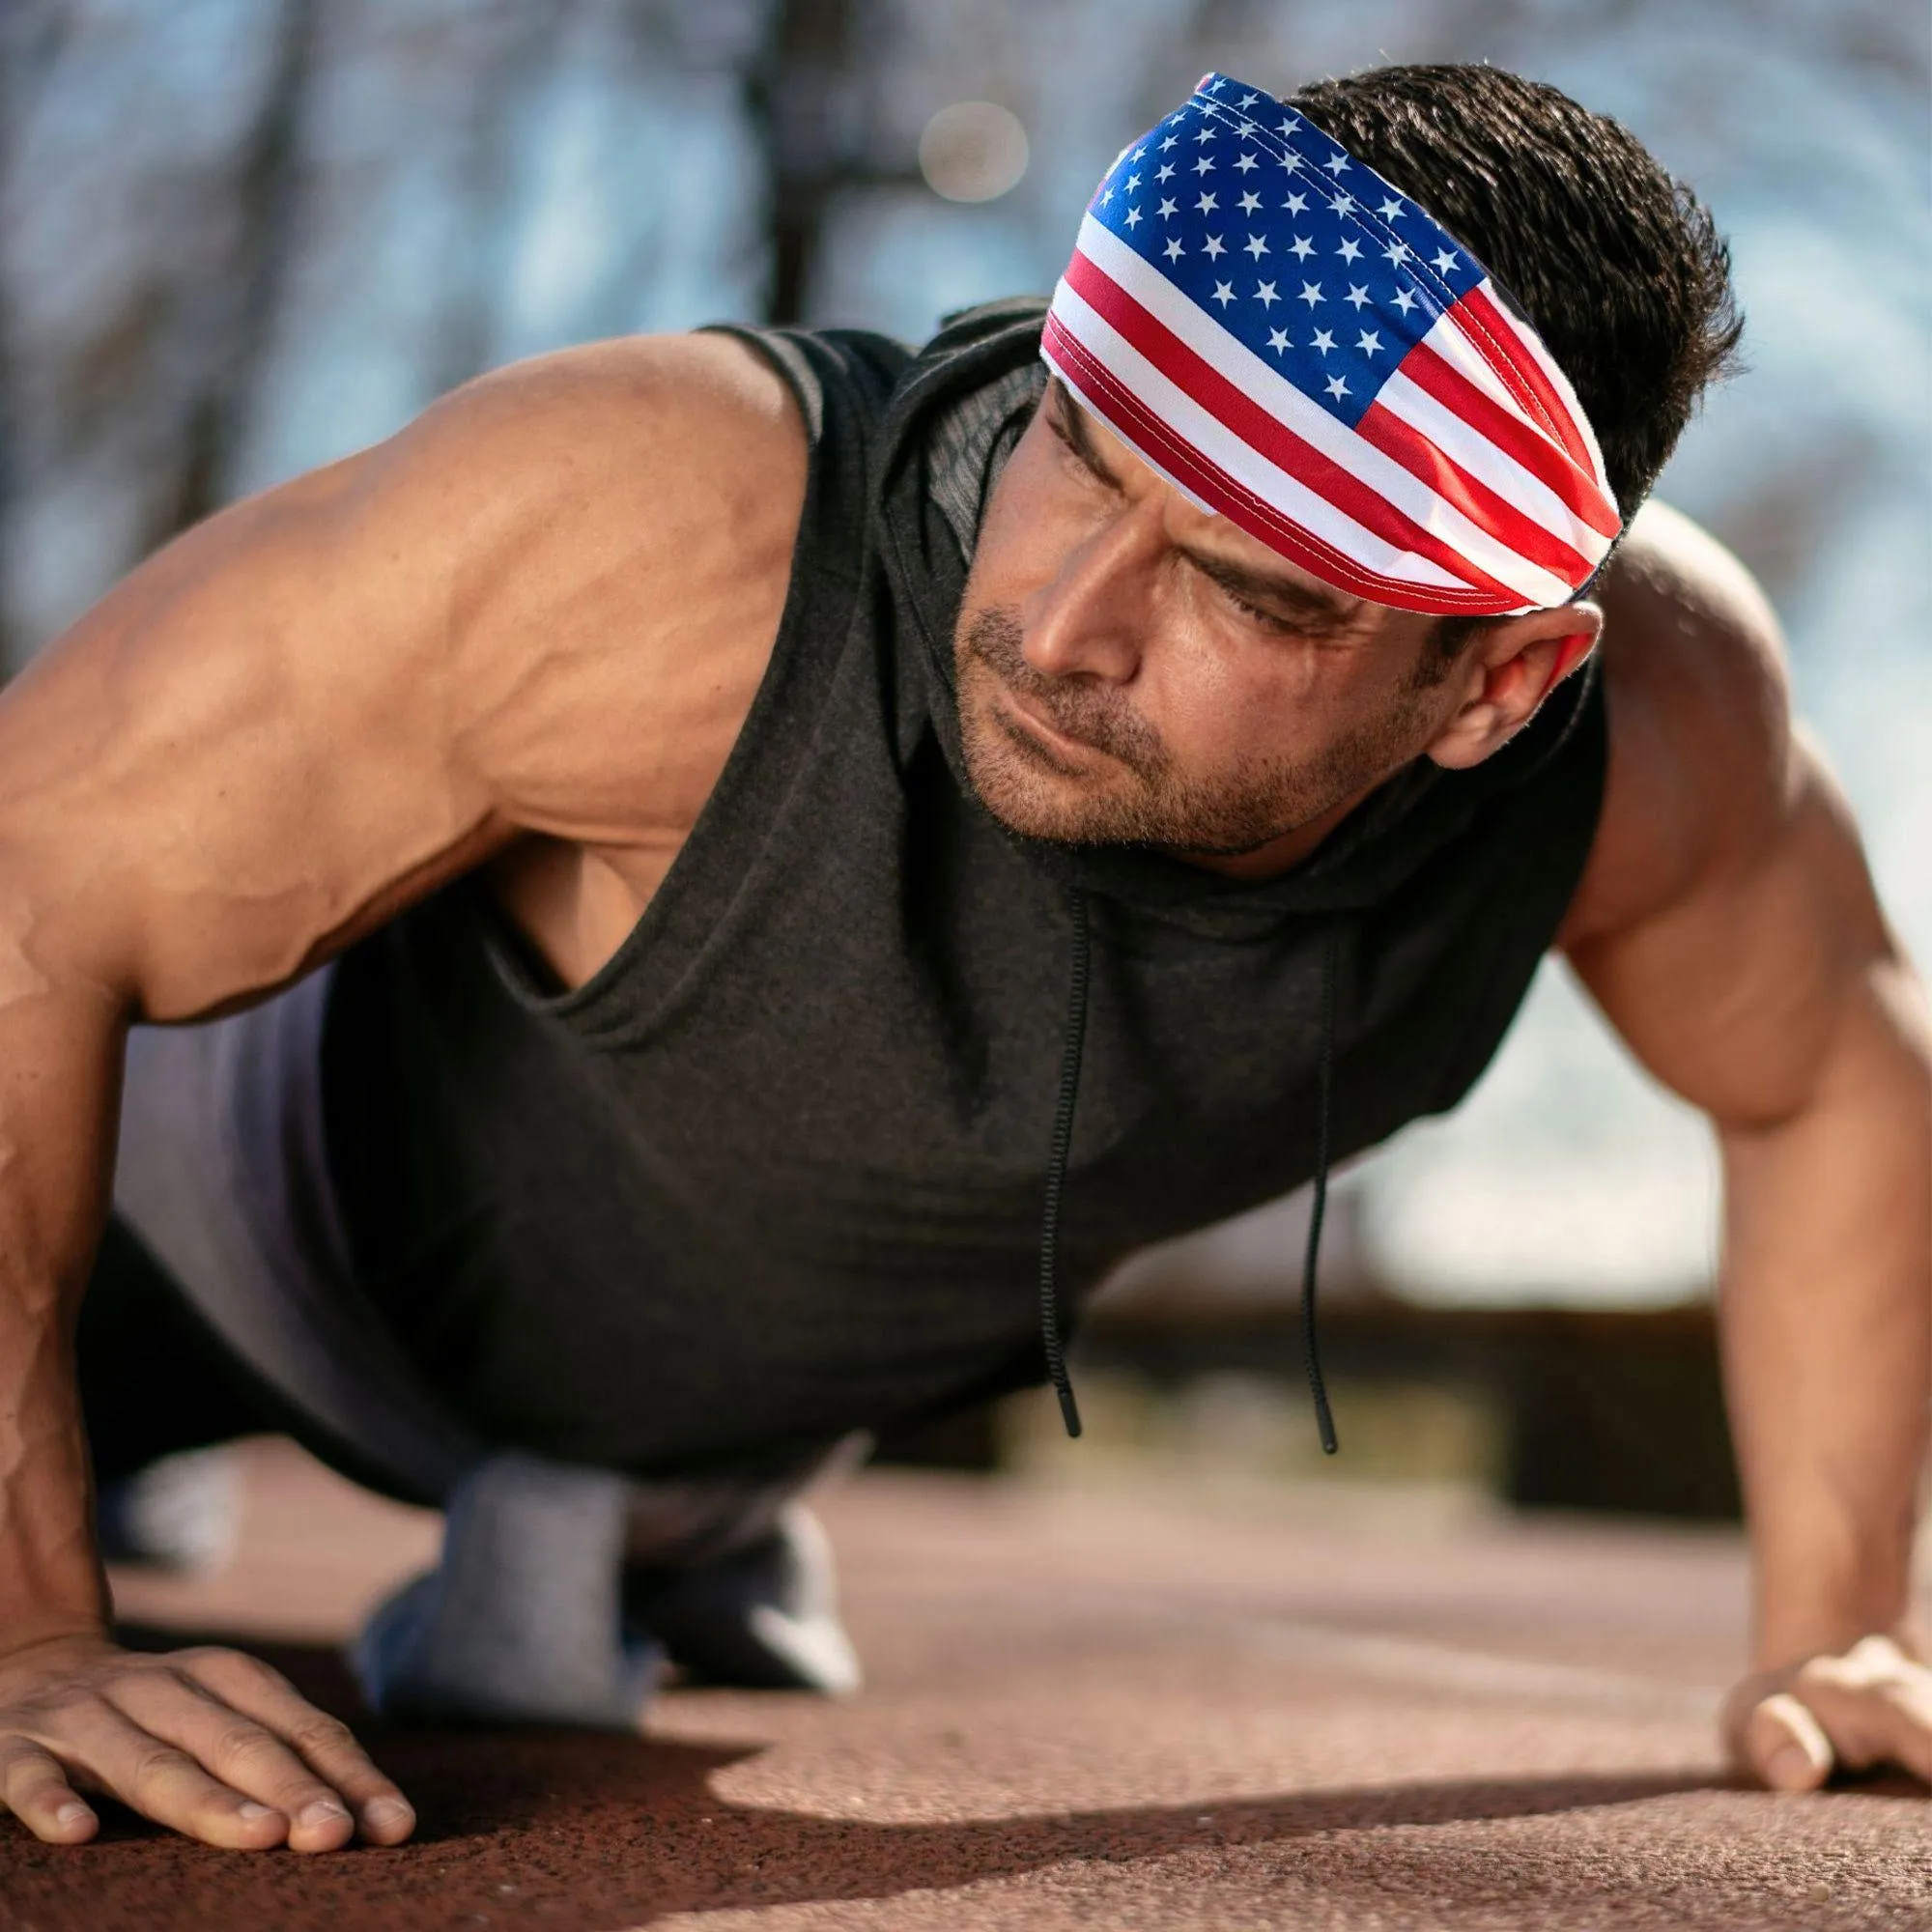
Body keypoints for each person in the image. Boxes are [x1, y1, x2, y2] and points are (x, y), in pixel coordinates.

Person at [0, 62, 1925, 1856]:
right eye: (1082, 452)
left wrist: (1832, 1627)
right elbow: (33, 864)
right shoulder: (661, 527)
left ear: (1496, 682)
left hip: (691, 1433)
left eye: (1249, 589)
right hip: (199, 1236)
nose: (1062, 620)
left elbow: (1834, 1068)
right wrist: (28, 1629)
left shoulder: (1658, 735)